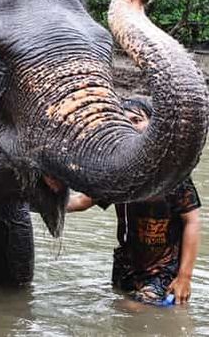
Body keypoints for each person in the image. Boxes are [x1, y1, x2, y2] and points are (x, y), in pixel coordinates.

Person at [67, 96, 201, 305]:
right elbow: (81, 201)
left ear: (154, 127)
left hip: (162, 269)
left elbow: (191, 221)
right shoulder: (118, 175)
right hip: (125, 266)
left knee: (136, 309)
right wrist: (37, 201)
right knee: (122, 314)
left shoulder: (171, 174)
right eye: (124, 122)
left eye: (137, 120)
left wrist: (185, 278)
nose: (130, 127)